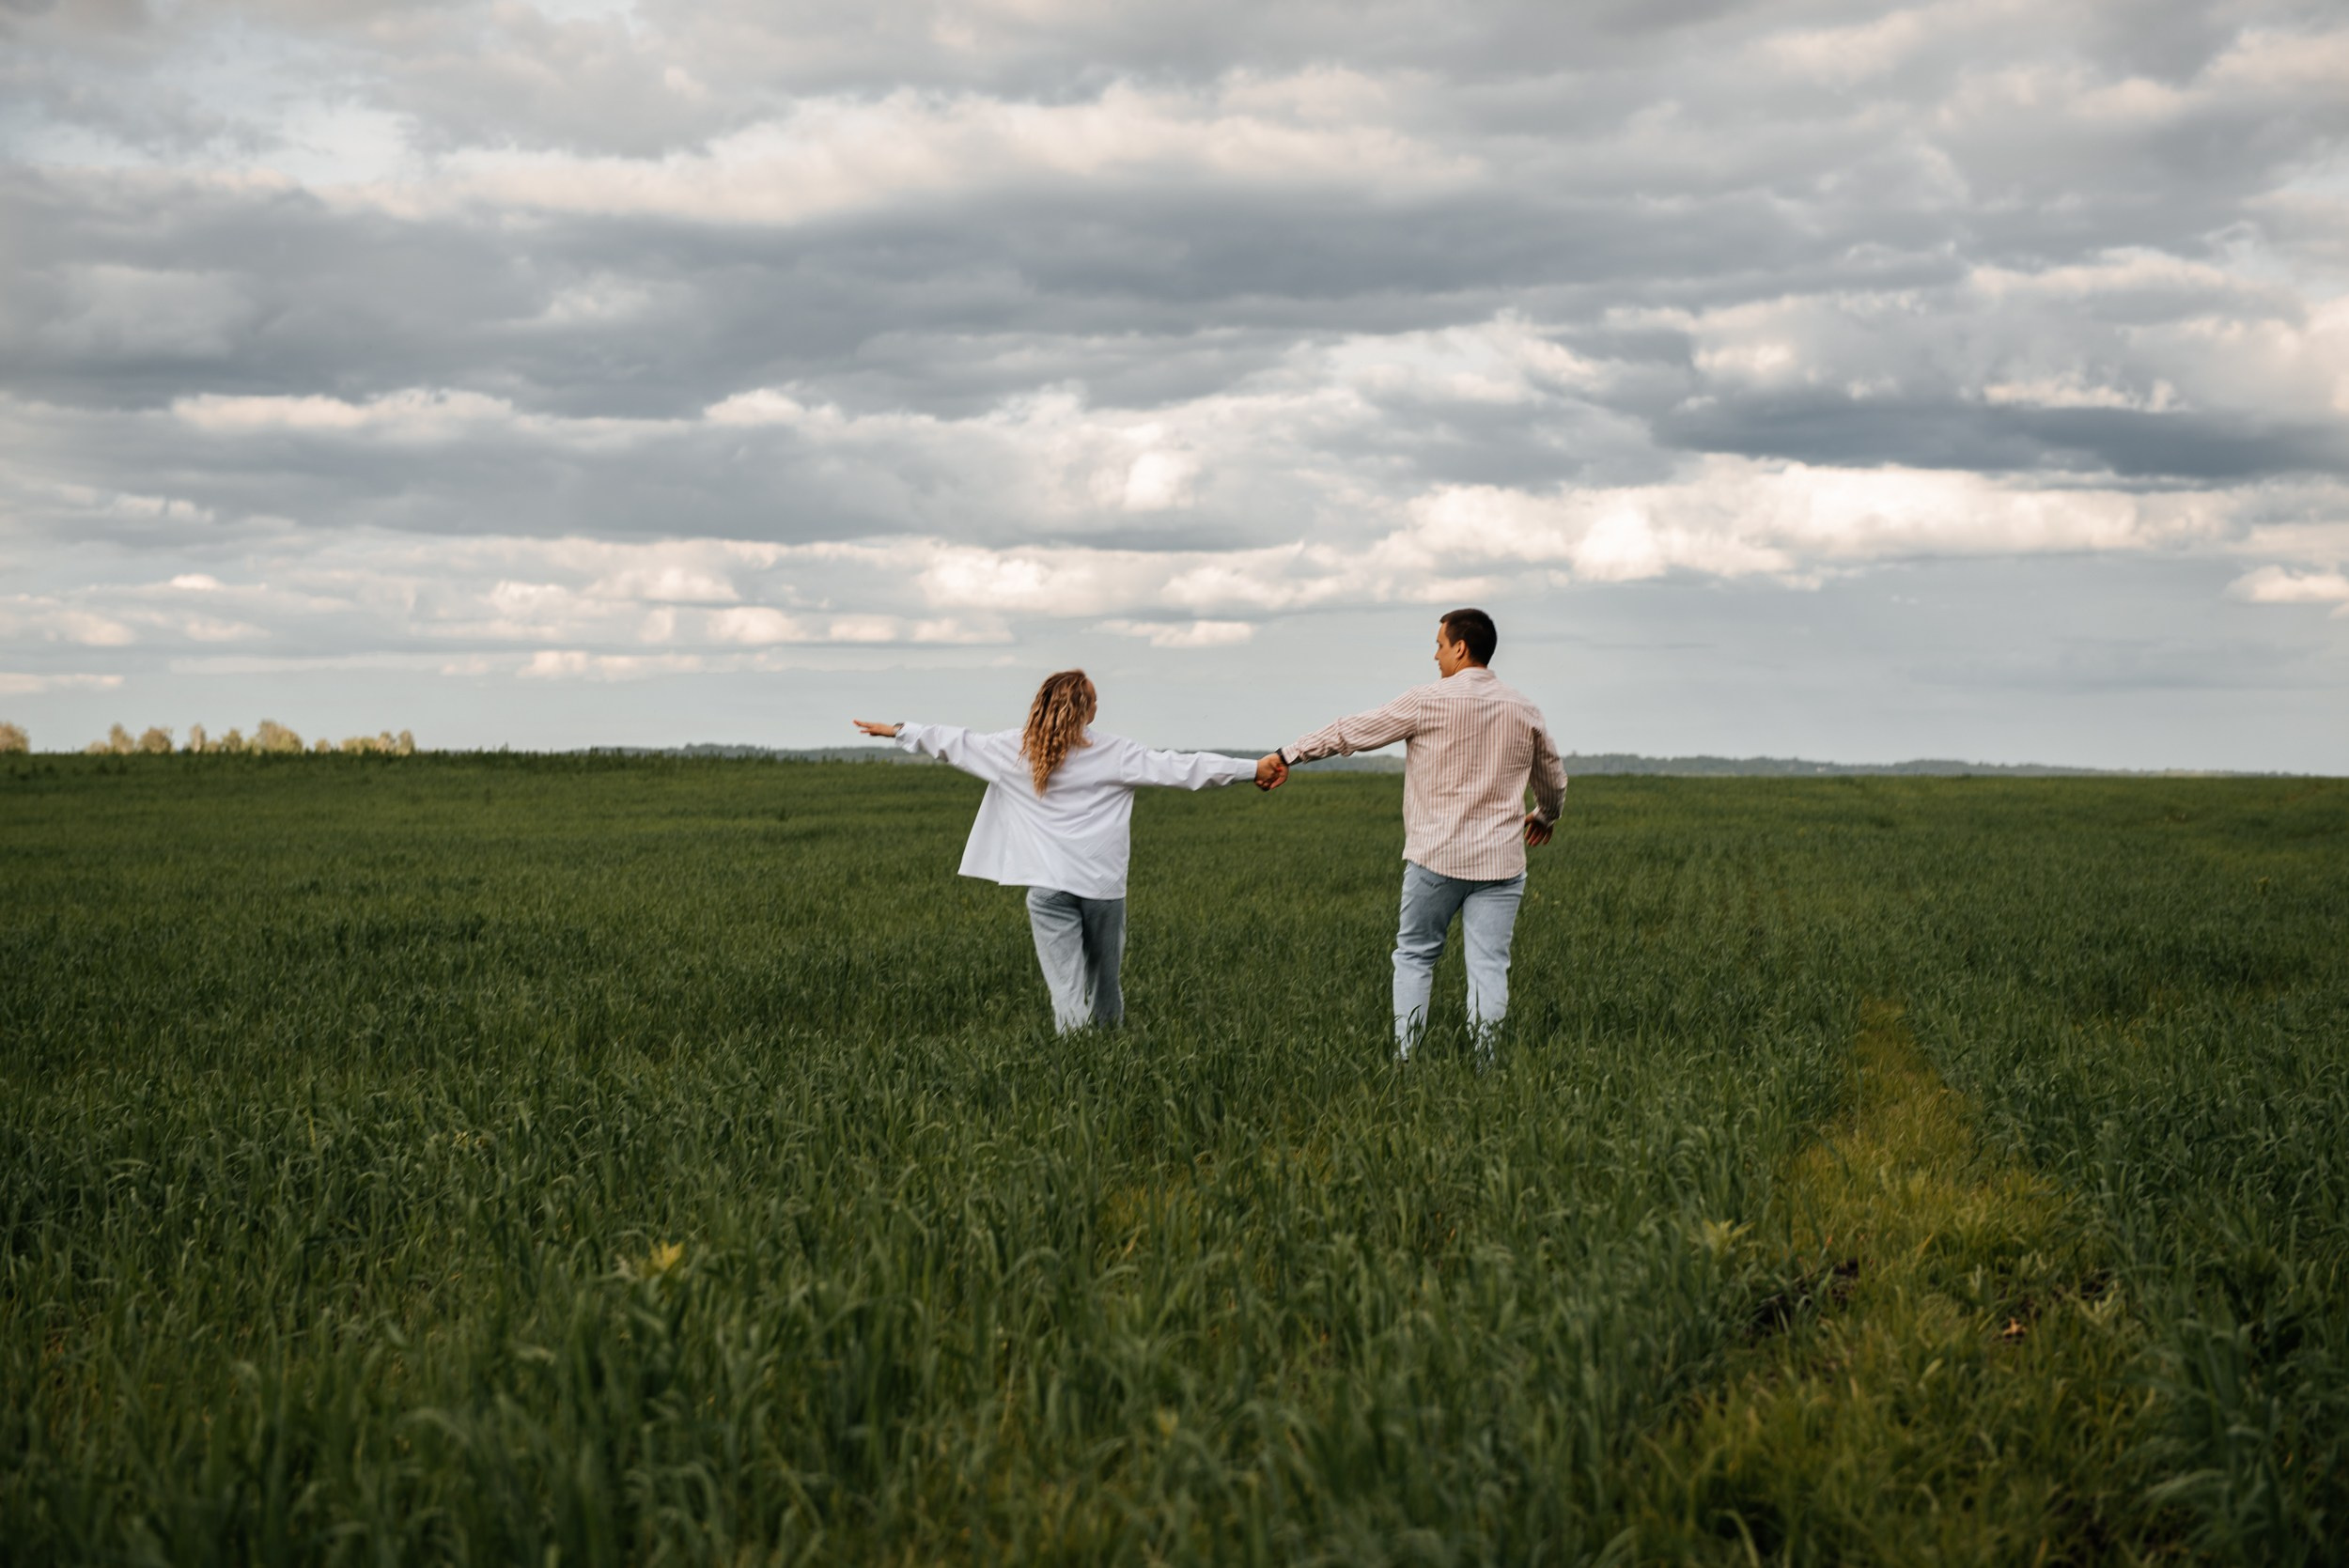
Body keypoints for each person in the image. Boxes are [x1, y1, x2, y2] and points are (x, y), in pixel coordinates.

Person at [854, 670, 1257, 1032]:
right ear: (1087, 710)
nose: (1099, 706)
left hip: (1047, 889)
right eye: (1096, 700)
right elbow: (1185, 768)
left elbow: (953, 742)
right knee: (1104, 979)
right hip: (1102, 888)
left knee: (1065, 987)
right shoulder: (1117, 752)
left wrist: (898, 730)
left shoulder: (1013, 749)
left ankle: (1076, 1056)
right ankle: (1108, 1051)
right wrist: (1255, 769)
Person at [1255, 609, 1566, 1064]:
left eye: (1440, 645)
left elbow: (1351, 732)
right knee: (1488, 969)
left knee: (1416, 956)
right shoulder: (1525, 709)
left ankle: (1406, 1062)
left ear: (1461, 648)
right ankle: (1485, 1067)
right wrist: (1545, 815)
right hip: (1501, 865)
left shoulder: (1427, 701)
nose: (1435, 655)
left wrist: (1288, 753)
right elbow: (1554, 778)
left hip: (1436, 859)